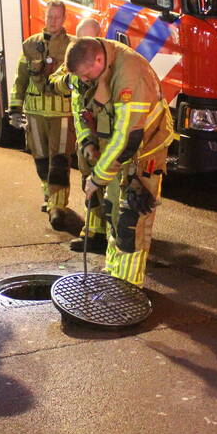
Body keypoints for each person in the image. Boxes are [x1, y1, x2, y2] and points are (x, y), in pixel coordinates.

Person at [65, 37, 174, 286]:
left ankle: (129, 286)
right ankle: (114, 273)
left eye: (85, 75)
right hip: (116, 149)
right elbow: (80, 107)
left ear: (100, 60)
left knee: (131, 220)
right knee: (113, 211)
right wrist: (87, 142)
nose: (84, 80)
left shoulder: (131, 74)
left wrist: (97, 177)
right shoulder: (87, 70)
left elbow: (127, 138)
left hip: (145, 151)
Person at [8, 0, 75, 231]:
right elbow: (21, 79)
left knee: (59, 161)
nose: (53, 21)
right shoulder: (30, 45)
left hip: (62, 114)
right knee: (41, 160)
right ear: (44, 17)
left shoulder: (72, 46)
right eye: (49, 16)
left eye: (57, 17)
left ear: (64, 18)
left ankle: (58, 206)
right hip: (35, 113)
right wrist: (15, 109)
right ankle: (49, 195)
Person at [51, 17, 108, 254]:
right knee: (89, 184)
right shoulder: (76, 61)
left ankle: (110, 236)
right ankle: (94, 234)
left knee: (108, 185)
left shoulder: (106, 65)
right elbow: (55, 82)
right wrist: (67, 80)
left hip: (106, 137)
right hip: (86, 134)